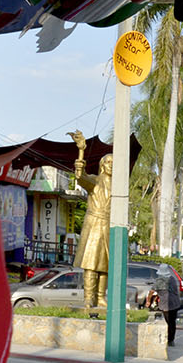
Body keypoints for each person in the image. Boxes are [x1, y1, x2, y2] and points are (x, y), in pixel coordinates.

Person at [69, 130, 111, 309]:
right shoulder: (95, 181)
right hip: (94, 224)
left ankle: (101, 297)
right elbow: (81, 177)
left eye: (113, 163)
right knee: (91, 263)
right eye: (108, 162)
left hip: (109, 225)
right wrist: (81, 151)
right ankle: (88, 298)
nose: (111, 165)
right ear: (102, 165)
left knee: (105, 265)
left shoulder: (119, 185)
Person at [155, 264, 183, 346]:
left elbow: (153, 291)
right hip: (175, 303)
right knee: (172, 322)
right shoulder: (172, 279)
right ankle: (171, 340)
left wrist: (149, 301)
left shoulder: (160, 281)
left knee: (168, 322)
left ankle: (169, 339)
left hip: (166, 304)